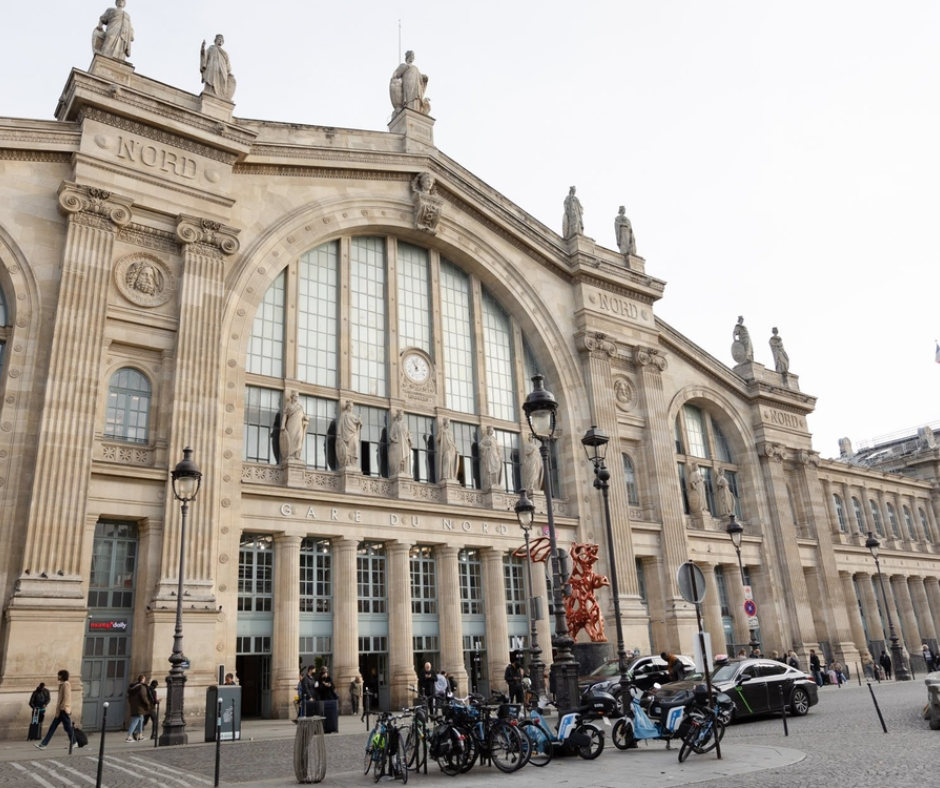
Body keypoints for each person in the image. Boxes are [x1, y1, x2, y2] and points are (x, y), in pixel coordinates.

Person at [35, 670, 74, 750]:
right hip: (60, 711)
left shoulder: (66, 684)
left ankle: (74, 742)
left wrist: (62, 707)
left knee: (67, 728)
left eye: (59, 675)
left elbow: (66, 697)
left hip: (63, 710)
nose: (57, 676)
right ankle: (43, 744)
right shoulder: (62, 684)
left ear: (62, 676)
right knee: (53, 727)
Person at [200, 35, 236, 101]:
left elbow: (228, 65)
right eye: (219, 39)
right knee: (211, 80)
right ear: (215, 40)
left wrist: (229, 72)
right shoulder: (211, 48)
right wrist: (203, 49)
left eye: (222, 41)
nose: (220, 41)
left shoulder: (225, 53)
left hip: (222, 71)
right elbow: (205, 55)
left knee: (222, 85)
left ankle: (221, 97)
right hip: (212, 68)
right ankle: (209, 93)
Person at [280, 391, 308, 462]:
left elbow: (303, 415)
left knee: (299, 438)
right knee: (291, 439)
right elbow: (285, 416)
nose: (297, 397)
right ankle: (290, 455)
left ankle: (297, 455)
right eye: (295, 396)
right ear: (292, 397)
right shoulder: (289, 406)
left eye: (297, 396)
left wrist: (306, 418)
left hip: (299, 425)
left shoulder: (300, 406)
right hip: (291, 424)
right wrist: (283, 425)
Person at [336, 400, 362, 468]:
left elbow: (358, 423)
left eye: (352, 406)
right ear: (347, 407)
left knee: (355, 447)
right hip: (345, 434)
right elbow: (340, 425)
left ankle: (353, 464)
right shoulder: (343, 415)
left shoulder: (353, 416)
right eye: (350, 406)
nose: (351, 408)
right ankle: (348, 463)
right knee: (347, 450)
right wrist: (339, 434)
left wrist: (359, 422)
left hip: (353, 434)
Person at [126, 674, 151, 742]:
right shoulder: (141, 687)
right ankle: (129, 736)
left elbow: (129, 698)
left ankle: (140, 735)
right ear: (142, 680)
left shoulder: (133, 688)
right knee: (135, 721)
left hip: (135, 706)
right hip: (139, 707)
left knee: (141, 719)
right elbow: (143, 696)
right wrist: (148, 703)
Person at [388, 409, 413, 477]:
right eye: (400, 415)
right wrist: (394, 440)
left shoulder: (405, 425)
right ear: (398, 416)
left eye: (402, 415)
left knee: (404, 458)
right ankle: (399, 471)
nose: (401, 416)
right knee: (399, 457)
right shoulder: (395, 424)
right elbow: (390, 434)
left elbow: (408, 434)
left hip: (405, 444)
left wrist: (410, 440)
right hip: (398, 444)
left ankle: (404, 471)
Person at [479, 425, 502, 491]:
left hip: (495, 455)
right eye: (490, 430)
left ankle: (495, 482)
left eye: (492, 430)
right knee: (489, 469)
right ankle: (489, 482)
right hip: (489, 454)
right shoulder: (485, 438)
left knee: (496, 468)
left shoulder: (494, 439)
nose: (491, 431)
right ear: (488, 431)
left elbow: (498, 448)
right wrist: (486, 448)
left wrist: (499, 455)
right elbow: (480, 445)